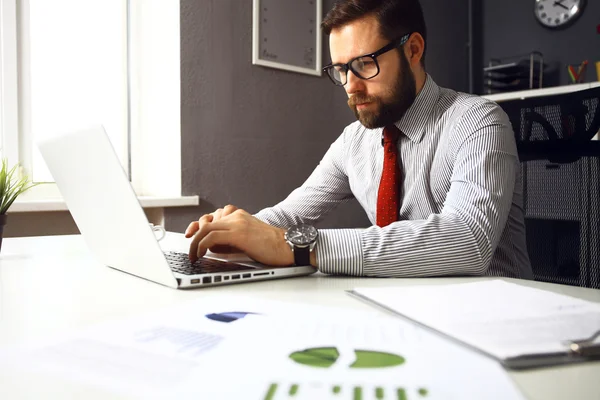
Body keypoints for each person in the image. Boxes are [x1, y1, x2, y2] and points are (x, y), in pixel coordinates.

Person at [185, 0, 533, 279]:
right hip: (404, 314)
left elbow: (468, 240)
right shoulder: (354, 142)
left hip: (495, 322)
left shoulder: (479, 122)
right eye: (341, 69)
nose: (351, 85)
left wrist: (298, 247)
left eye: (365, 64)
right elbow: (289, 216)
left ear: (413, 50)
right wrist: (235, 233)